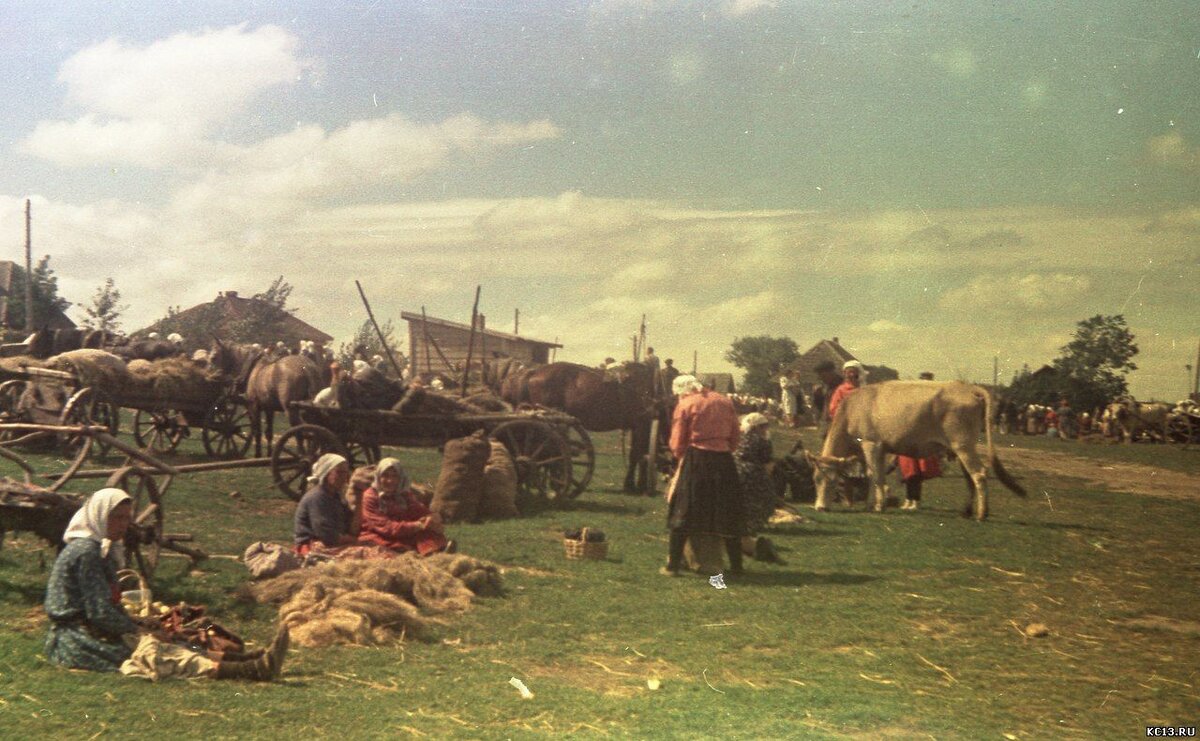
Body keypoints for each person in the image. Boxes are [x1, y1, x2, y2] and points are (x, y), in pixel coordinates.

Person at [44, 489, 287, 680]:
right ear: (98, 516)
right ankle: (253, 669)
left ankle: (243, 661)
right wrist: (140, 630)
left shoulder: (98, 548)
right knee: (154, 652)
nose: (123, 525)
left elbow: (106, 607)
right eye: (116, 518)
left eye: (126, 519)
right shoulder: (86, 552)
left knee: (166, 639)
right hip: (78, 639)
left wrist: (139, 623)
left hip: (93, 629)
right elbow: (99, 612)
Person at [662, 374, 745, 577]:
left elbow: (677, 442)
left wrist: (682, 457)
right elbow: (735, 435)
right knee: (727, 511)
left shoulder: (686, 404)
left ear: (682, 391)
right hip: (724, 460)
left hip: (697, 458)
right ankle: (736, 567)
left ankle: (672, 566)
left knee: (684, 509)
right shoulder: (724, 401)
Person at [357, 458, 452, 555]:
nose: (390, 480)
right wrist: (417, 525)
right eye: (385, 476)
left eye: (395, 476)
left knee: (429, 533)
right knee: (395, 548)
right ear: (378, 476)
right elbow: (385, 527)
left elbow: (418, 510)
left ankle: (438, 553)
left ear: (400, 478)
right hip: (379, 534)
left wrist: (432, 519)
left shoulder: (403, 494)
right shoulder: (370, 497)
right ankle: (430, 554)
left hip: (401, 532)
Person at [734, 413, 782, 562]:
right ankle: (749, 541)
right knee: (760, 504)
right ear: (757, 427)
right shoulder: (763, 441)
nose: (765, 429)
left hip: (735, 474)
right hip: (753, 476)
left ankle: (744, 538)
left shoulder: (738, 438)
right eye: (764, 426)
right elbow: (768, 465)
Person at [294, 453, 358, 555]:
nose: (344, 477)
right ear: (327, 473)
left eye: (345, 473)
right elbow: (326, 534)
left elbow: (349, 523)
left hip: (334, 543)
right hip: (313, 545)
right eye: (339, 473)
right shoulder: (317, 497)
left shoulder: (336, 495)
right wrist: (352, 540)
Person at [897, 372, 942, 511]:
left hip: (923, 439)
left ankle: (916, 500)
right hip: (909, 437)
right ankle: (908, 499)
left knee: (918, 473)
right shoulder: (912, 398)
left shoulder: (936, 401)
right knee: (909, 471)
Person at [828, 360, 868, 504]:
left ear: (858, 373)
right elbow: (833, 409)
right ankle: (847, 497)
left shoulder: (865, 390)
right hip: (846, 431)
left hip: (862, 431)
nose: (850, 375)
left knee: (864, 462)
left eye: (853, 372)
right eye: (848, 372)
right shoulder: (841, 390)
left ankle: (864, 496)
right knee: (845, 465)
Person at [812, 361, 842, 438]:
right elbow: (821, 407)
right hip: (826, 423)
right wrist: (817, 396)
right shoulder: (824, 386)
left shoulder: (843, 386)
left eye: (822, 375)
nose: (820, 378)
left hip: (840, 423)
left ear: (831, 372)